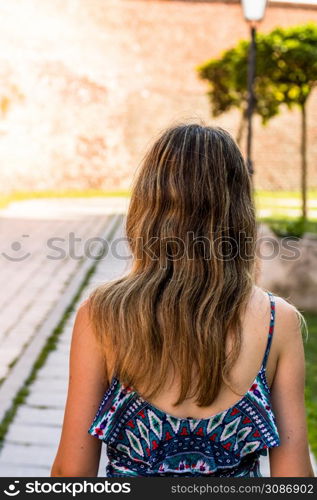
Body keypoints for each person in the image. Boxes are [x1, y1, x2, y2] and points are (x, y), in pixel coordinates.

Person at [51, 123, 314, 477]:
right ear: (238, 211)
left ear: (148, 206)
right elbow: (294, 478)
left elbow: (72, 474)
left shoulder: (101, 316)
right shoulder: (276, 322)